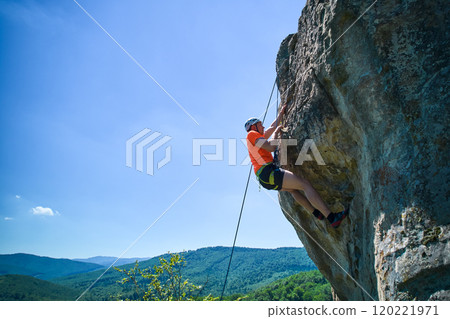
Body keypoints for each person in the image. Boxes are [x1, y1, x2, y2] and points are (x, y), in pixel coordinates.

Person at [245, 103, 348, 228]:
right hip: (268, 172)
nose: (263, 126)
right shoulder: (251, 134)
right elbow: (271, 147)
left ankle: (317, 213)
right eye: (260, 124)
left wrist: (281, 114)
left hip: (265, 179)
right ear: (253, 127)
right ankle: (332, 217)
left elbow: (272, 127)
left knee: (293, 190)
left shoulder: (257, 136)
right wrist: (277, 134)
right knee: (305, 184)